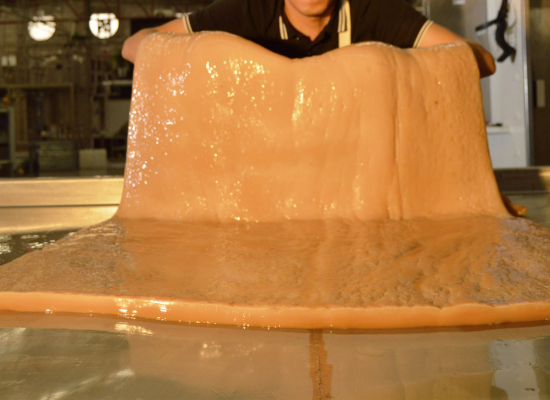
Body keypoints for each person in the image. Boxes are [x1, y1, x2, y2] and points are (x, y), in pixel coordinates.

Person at [122, 0, 495, 77]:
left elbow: (478, 59)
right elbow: (135, 45)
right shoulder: (246, 12)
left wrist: (389, 70)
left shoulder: (377, 12)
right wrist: (219, 60)